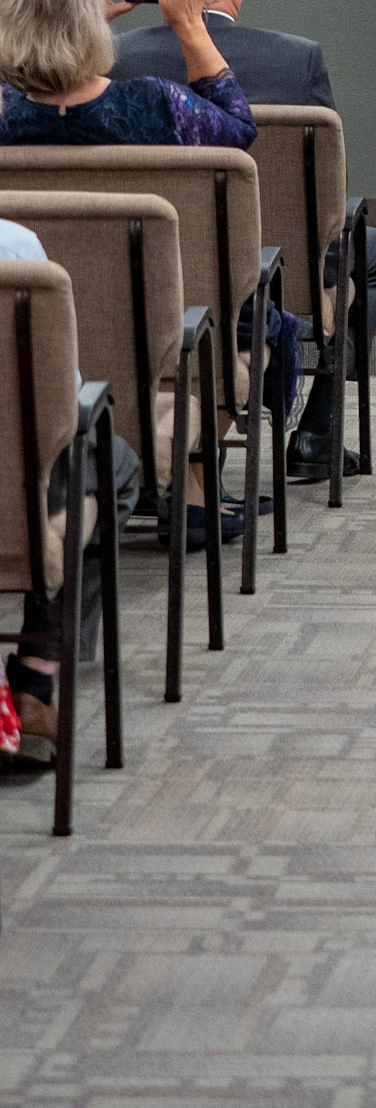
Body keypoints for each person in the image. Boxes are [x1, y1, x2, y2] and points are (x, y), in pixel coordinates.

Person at [111, 0, 376, 485]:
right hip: (273, 272)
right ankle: (317, 432)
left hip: (141, 268)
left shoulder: (109, 59)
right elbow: (327, 193)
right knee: (375, 251)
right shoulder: (296, 59)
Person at [0, 0, 265, 550]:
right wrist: (190, 27)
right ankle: (184, 482)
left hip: (26, 350)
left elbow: (35, 82)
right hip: (154, 336)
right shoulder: (153, 105)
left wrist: (66, 21)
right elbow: (238, 131)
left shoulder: (6, 114)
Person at [0, 213, 142, 763]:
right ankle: (35, 680)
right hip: (14, 487)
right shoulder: (15, 248)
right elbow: (62, 398)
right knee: (111, 463)